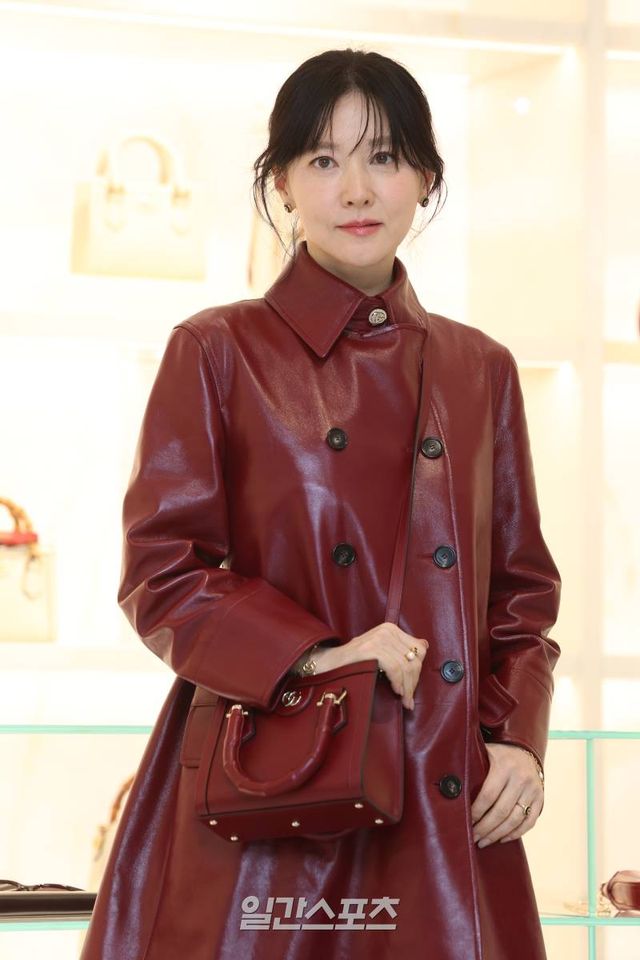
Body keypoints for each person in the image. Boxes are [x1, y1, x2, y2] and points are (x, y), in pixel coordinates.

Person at [79, 47, 561, 960]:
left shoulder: (480, 368)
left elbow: (522, 592)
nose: (357, 189)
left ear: (427, 177)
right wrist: (321, 656)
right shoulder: (218, 350)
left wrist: (517, 740)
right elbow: (163, 572)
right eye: (324, 159)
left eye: (385, 157)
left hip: (440, 783)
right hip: (276, 782)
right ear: (283, 183)